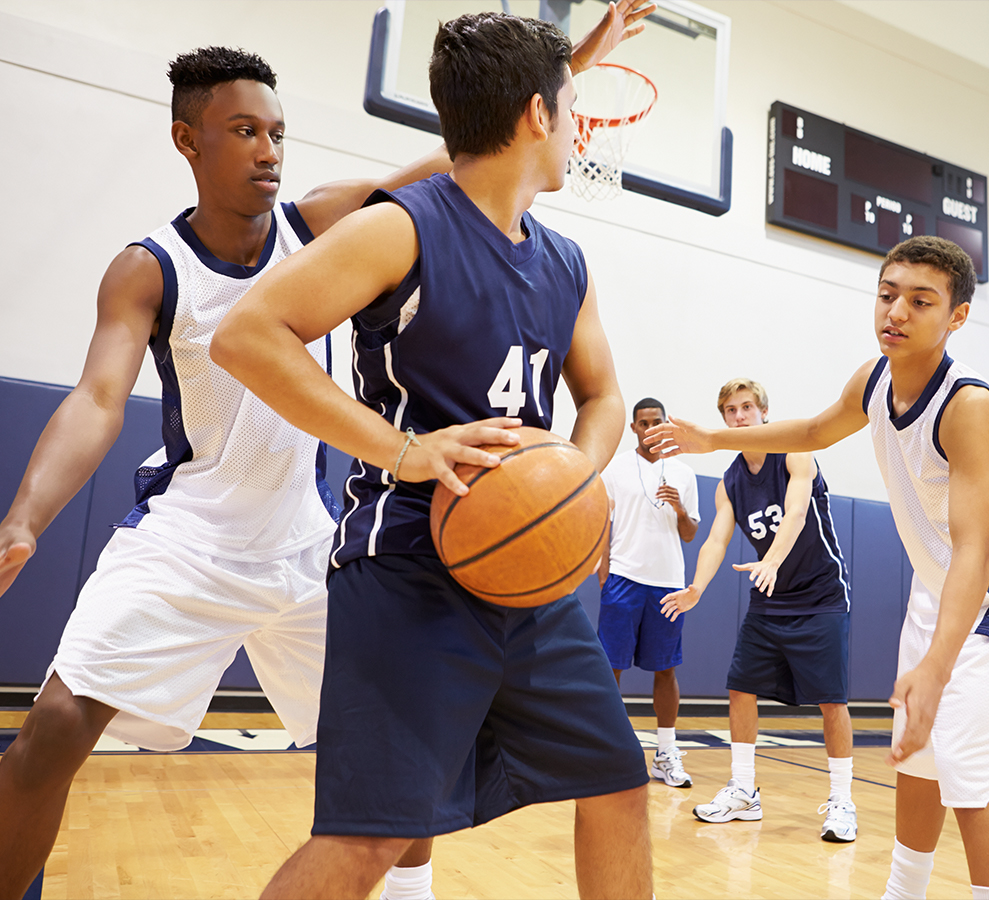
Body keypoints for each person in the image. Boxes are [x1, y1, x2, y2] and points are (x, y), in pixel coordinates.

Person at [0, 6, 652, 898]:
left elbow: (472, 161)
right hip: (201, 538)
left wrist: (566, 66)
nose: (269, 149)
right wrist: (27, 517)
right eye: (244, 131)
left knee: (418, 810)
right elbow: (98, 398)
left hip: (306, 544)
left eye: (277, 131)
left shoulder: (320, 222)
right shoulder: (153, 265)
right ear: (187, 141)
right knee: (59, 731)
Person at [211, 12, 652, 900]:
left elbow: (602, 396)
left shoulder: (567, 262)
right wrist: (402, 449)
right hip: (410, 564)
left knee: (618, 782)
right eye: (572, 108)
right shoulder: (403, 228)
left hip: (527, 573)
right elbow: (248, 335)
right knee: (368, 840)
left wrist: (573, 471)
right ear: (537, 115)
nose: (578, 129)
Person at [646, 235, 989, 900]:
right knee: (916, 756)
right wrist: (715, 438)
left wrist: (938, 663)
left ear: (956, 317)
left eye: (920, 301)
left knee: (969, 770)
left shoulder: (968, 407)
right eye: (888, 294)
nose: (896, 310)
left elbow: (977, 551)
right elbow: (810, 431)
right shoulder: (873, 379)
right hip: (937, 585)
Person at [659, 377, 856, 842]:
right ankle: (744, 791)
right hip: (770, 600)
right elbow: (716, 540)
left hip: (820, 596)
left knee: (832, 701)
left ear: (763, 413)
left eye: (748, 407)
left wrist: (771, 559)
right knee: (740, 689)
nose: (740, 416)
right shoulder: (729, 481)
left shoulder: (793, 451)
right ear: (724, 418)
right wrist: (697, 588)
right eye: (731, 410)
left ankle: (842, 800)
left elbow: (796, 514)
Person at [598, 398, 700, 788]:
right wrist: (604, 572)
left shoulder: (684, 473)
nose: (650, 428)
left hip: (668, 583)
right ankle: (607, 749)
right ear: (634, 428)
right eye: (643, 423)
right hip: (623, 578)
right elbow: (602, 523)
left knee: (665, 668)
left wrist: (678, 509)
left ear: (665, 424)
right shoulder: (616, 469)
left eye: (657, 422)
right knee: (612, 666)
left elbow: (690, 534)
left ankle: (665, 753)